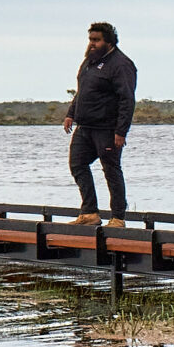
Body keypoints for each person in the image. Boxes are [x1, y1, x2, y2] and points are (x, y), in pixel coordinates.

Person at [64, 21, 136, 225]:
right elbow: (83, 90)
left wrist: (121, 131)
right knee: (77, 164)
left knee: (111, 170)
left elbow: (127, 99)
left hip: (107, 129)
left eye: (96, 40)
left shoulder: (121, 64)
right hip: (85, 127)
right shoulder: (90, 62)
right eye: (90, 40)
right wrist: (71, 113)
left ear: (109, 42)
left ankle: (118, 217)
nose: (92, 44)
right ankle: (90, 213)